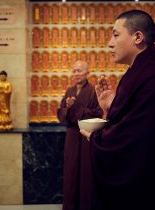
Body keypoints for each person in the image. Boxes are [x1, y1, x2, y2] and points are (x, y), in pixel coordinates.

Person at [80, 10, 155, 210]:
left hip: (147, 189)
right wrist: (109, 108)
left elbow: (137, 138)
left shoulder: (154, 78)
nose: (110, 43)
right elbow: (131, 120)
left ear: (138, 37)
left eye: (116, 35)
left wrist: (96, 139)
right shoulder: (138, 72)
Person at [57, 61, 103, 210]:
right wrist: (68, 108)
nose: (76, 73)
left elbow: (97, 113)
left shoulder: (92, 91)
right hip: (72, 136)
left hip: (86, 137)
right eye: (74, 71)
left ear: (87, 73)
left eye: (80, 71)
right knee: (71, 172)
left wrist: (76, 107)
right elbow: (61, 113)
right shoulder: (69, 91)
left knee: (85, 173)